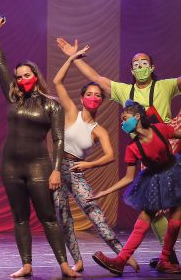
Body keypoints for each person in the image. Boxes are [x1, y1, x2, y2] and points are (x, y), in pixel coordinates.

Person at [57, 37, 181, 265]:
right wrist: (73, 57)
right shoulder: (125, 91)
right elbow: (96, 78)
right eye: (136, 64)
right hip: (149, 153)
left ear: (152, 67)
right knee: (155, 208)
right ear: (131, 70)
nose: (140, 67)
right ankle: (168, 257)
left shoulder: (163, 86)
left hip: (168, 135)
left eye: (144, 63)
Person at [89, 102, 181, 275]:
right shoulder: (132, 148)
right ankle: (121, 261)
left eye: (125, 119)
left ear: (137, 117)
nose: (123, 123)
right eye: (122, 121)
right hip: (154, 180)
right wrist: (105, 191)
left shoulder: (160, 129)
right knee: (145, 217)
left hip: (175, 173)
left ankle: (164, 260)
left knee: (177, 213)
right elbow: (128, 177)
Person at [0, 18, 79, 278]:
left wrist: (56, 170)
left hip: (39, 166)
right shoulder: (13, 97)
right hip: (10, 166)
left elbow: (59, 140)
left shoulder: (51, 105)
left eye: (26, 75)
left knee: (48, 216)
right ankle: (26, 264)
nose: (21, 80)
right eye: (18, 77)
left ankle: (64, 265)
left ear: (36, 76)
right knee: (19, 217)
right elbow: (0, 65)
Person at [50, 41, 138, 273]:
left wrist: (89, 164)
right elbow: (57, 82)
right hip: (57, 167)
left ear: (101, 101)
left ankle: (122, 254)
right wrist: (71, 58)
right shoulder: (72, 112)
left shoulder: (99, 130)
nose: (93, 97)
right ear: (81, 98)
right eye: (89, 94)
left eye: (98, 95)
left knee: (96, 215)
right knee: (63, 217)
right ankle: (77, 260)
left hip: (76, 170)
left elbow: (110, 156)